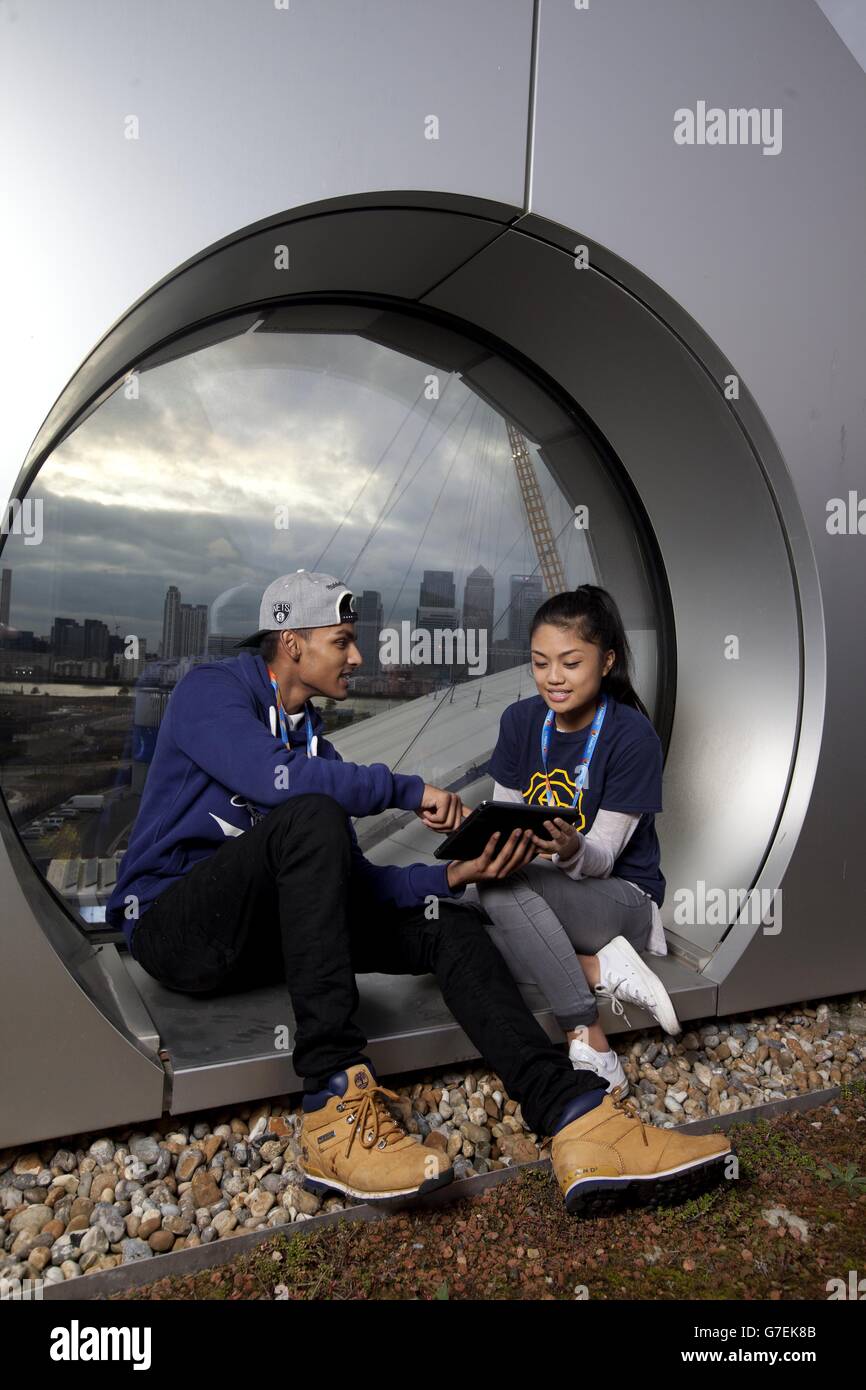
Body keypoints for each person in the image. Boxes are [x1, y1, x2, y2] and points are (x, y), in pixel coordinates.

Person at [105, 570, 731, 1214]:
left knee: (446, 926)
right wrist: (407, 790)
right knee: (315, 812)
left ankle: (570, 1113)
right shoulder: (212, 692)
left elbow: (362, 886)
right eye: (344, 642)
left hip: (267, 938)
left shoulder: (313, 741)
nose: (358, 657)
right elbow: (278, 782)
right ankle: (331, 1107)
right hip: (174, 931)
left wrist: (454, 878)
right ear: (292, 643)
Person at [475, 584, 679, 1098]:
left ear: (606, 661)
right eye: (540, 663)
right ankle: (597, 966)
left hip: (622, 899)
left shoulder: (633, 737)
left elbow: (606, 857)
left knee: (499, 890)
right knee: (448, 907)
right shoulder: (519, 721)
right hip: (542, 890)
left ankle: (590, 1039)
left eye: (570, 663)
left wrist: (570, 849)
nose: (553, 678)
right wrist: (482, 841)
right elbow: (504, 817)